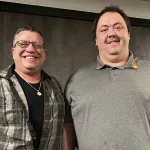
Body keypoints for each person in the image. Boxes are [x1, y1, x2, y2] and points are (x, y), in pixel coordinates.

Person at [63, 5, 150, 150]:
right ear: (96, 39)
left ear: (129, 34)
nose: (111, 33)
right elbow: (68, 128)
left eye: (118, 27)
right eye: (104, 29)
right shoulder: (76, 80)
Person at [0, 26, 64, 150]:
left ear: (44, 53)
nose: (30, 49)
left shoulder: (54, 86)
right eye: (23, 44)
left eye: (37, 45)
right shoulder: (2, 83)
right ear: (13, 52)